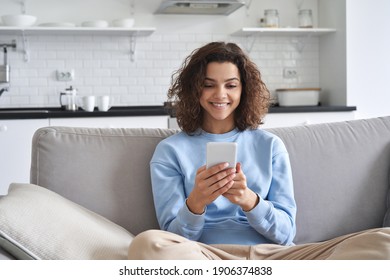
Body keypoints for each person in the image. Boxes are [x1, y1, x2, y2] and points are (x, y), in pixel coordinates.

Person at [128, 42, 390, 260]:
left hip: (274, 257)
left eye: (231, 85)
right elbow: (174, 237)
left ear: (244, 90)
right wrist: (196, 202)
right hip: (206, 256)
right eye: (209, 84)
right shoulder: (170, 151)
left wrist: (249, 200)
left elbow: (286, 234)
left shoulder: (270, 146)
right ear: (194, 89)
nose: (220, 94)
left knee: (384, 240)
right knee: (148, 243)